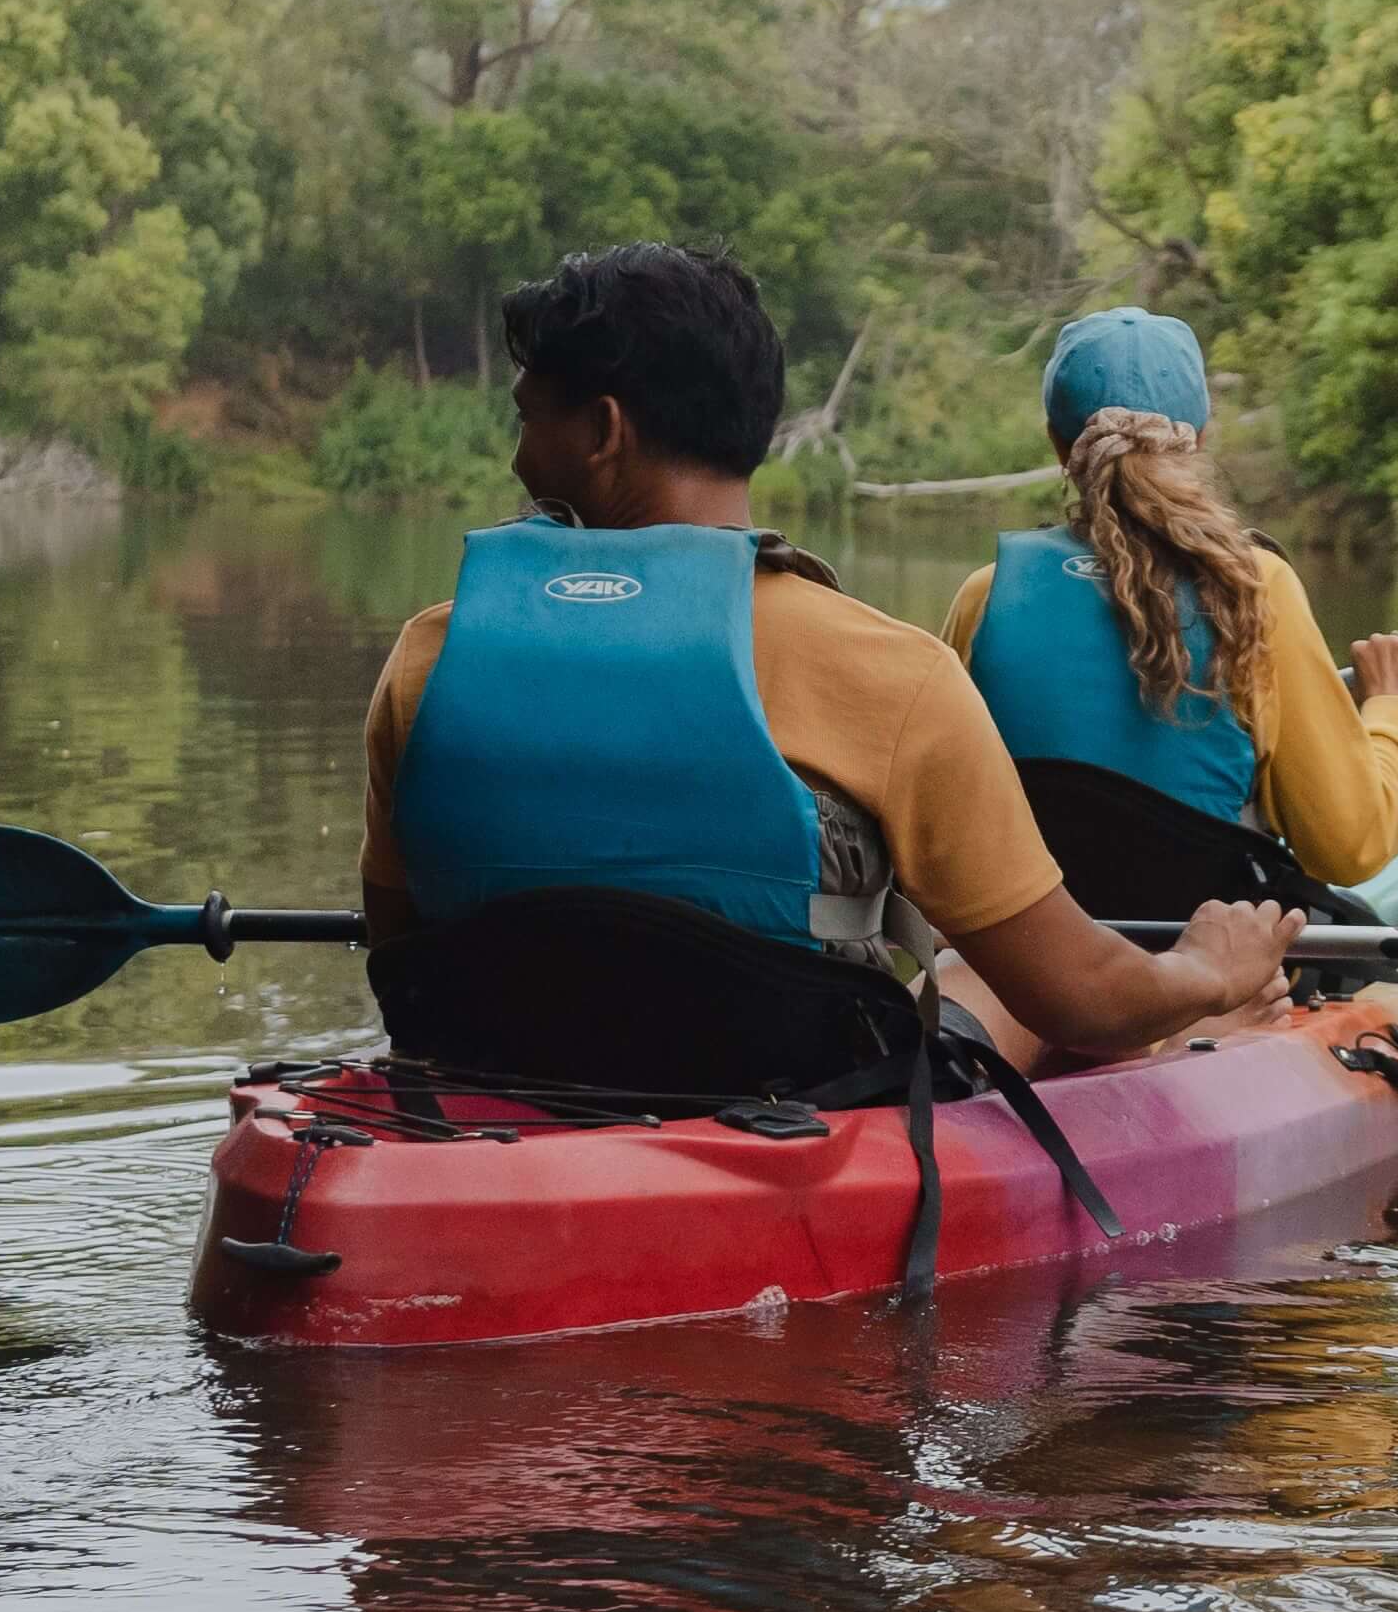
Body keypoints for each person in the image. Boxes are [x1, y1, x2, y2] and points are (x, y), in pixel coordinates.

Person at [359, 243, 1298, 1077]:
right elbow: (1082, 996)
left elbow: (402, 944)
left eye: (530, 420)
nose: (518, 453)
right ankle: (1205, 1033)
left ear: (604, 432)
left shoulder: (429, 660)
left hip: (476, 1098)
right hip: (789, 1116)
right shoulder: (893, 676)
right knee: (974, 971)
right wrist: (1207, 967)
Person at [941, 307, 1398, 917]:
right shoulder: (1255, 588)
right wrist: (1391, 708)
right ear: (1201, 439)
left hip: (1027, 973)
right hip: (1204, 970)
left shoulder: (988, 594)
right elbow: (1350, 848)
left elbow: (941, 816)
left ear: (1059, 446)